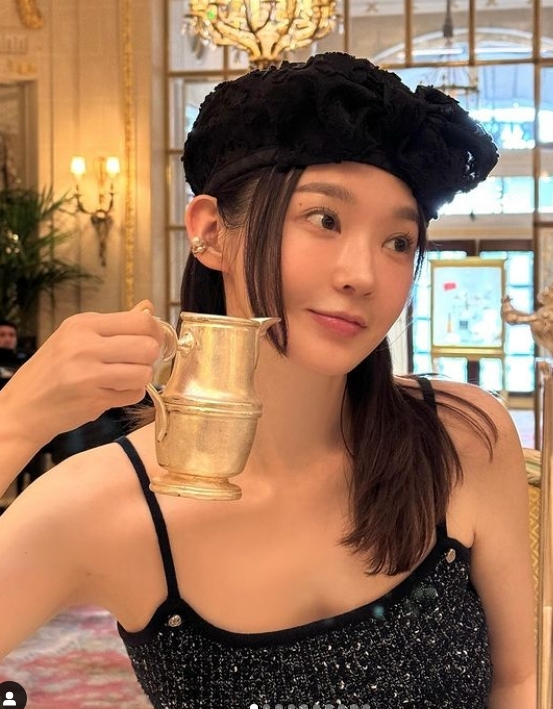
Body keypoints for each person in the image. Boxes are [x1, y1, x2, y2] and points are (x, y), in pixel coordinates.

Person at [0, 53, 536, 708]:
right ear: (209, 232)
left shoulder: (461, 439)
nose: (363, 274)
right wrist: (13, 422)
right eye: (325, 219)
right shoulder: (107, 505)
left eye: (397, 242)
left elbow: (519, 680)